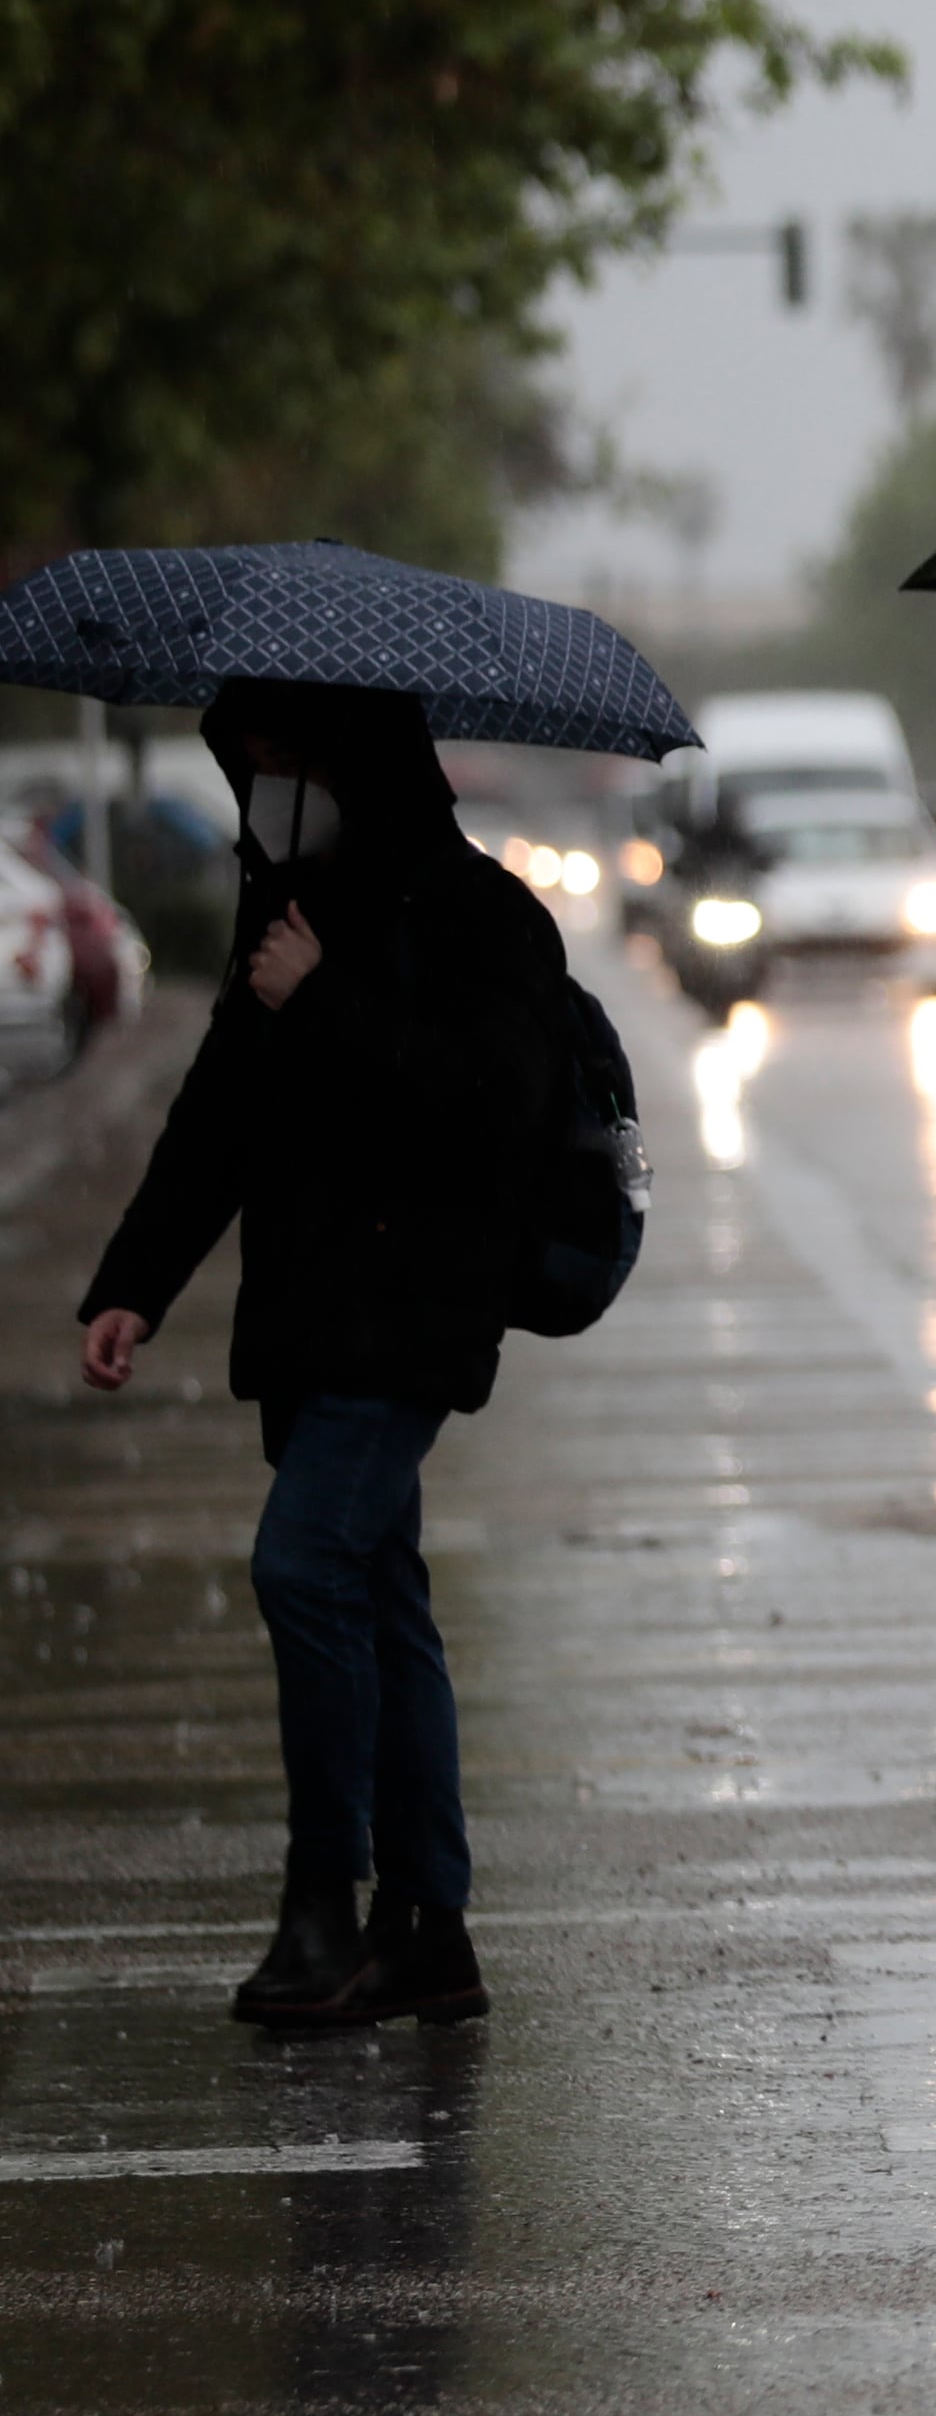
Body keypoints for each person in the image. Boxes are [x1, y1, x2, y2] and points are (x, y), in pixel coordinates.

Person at [75, 678, 567, 2030]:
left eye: (298, 761)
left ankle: (323, 1909)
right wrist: (133, 1285)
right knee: (379, 1594)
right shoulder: (284, 911)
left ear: (364, 765)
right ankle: (428, 1924)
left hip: (411, 1318)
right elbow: (219, 1115)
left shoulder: (483, 917)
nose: (275, 787)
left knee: (302, 1563)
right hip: (306, 1317)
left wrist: (328, 999)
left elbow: (497, 1107)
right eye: (258, 763)